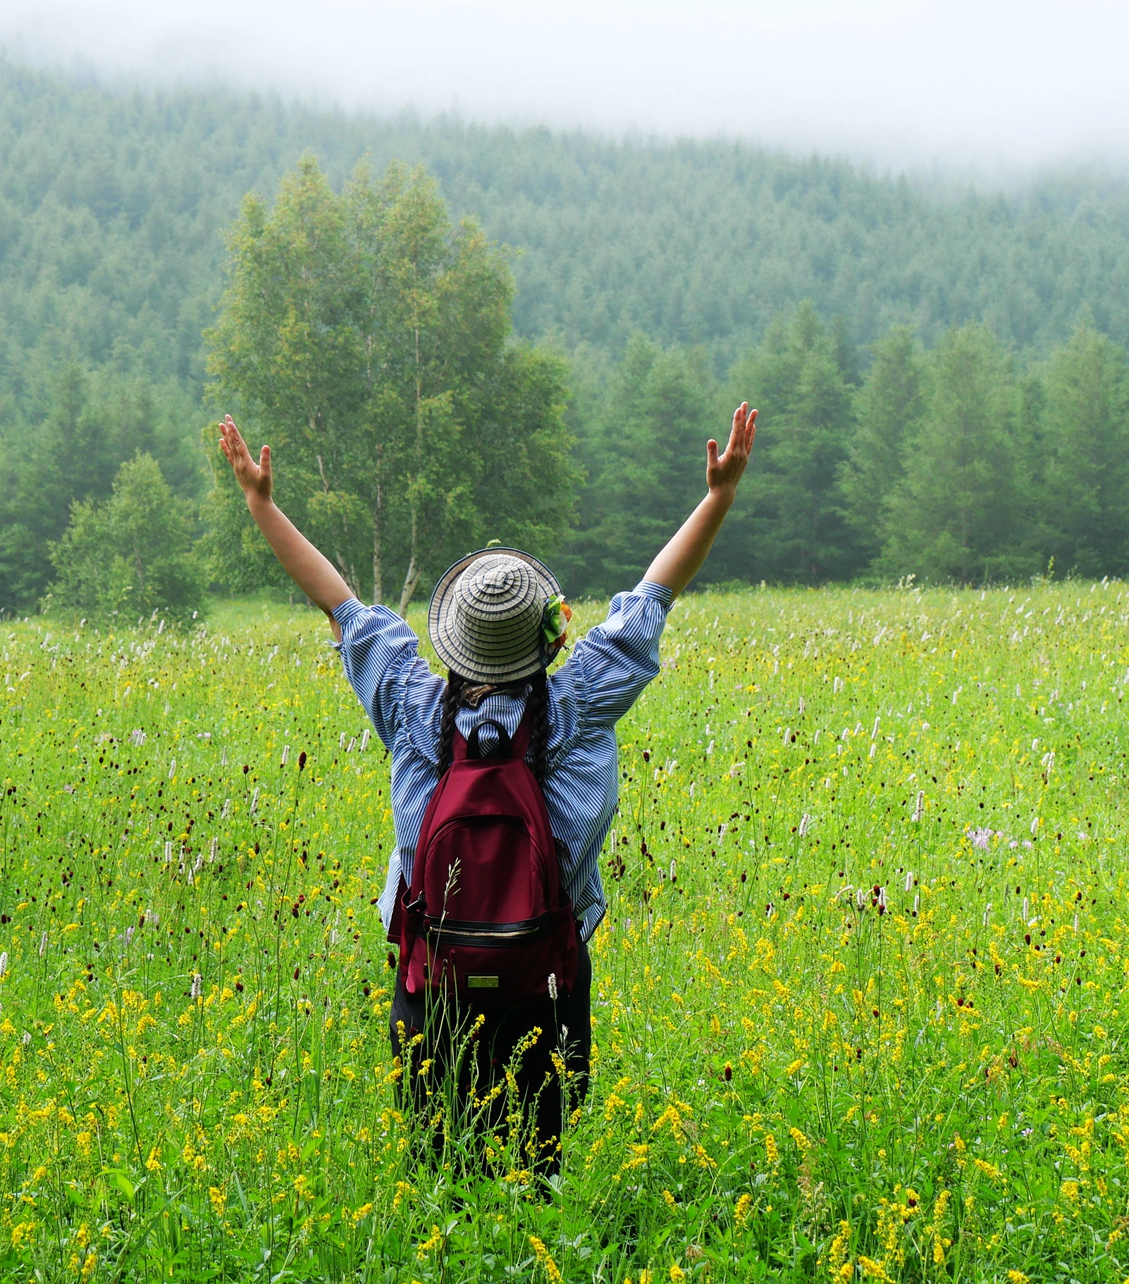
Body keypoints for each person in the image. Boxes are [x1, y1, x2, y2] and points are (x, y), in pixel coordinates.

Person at [217, 402, 758, 1181]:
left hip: (430, 994)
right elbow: (650, 600)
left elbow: (339, 603)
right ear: (550, 637)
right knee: (540, 1180)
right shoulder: (578, 704)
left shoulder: (413, 704)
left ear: (450, 641)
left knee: (441, 1185)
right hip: (548, 990)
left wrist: (262, 504)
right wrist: (718, 497)